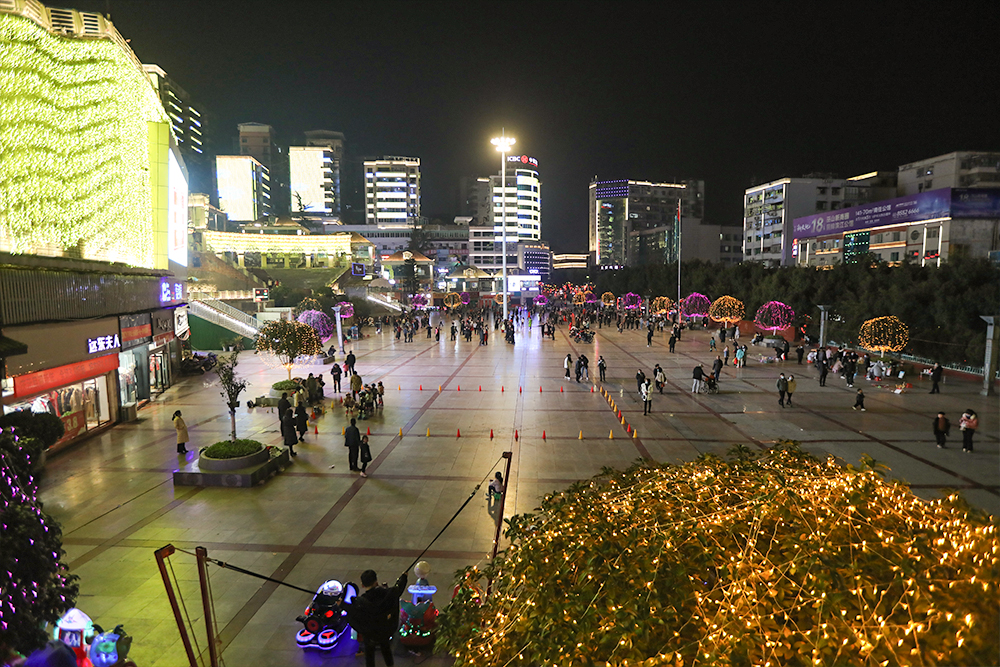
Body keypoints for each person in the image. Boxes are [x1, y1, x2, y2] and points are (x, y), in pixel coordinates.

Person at [343, 569, 408, 667]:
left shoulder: (361, 602)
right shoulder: (387, 594)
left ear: (362, 585)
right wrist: (403, 577)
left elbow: (352, 613)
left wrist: (341, 605)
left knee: (369, 655)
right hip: (385, 631)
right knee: (386, 650)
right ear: (376, 582)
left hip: (370, 635)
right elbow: (398, 589)